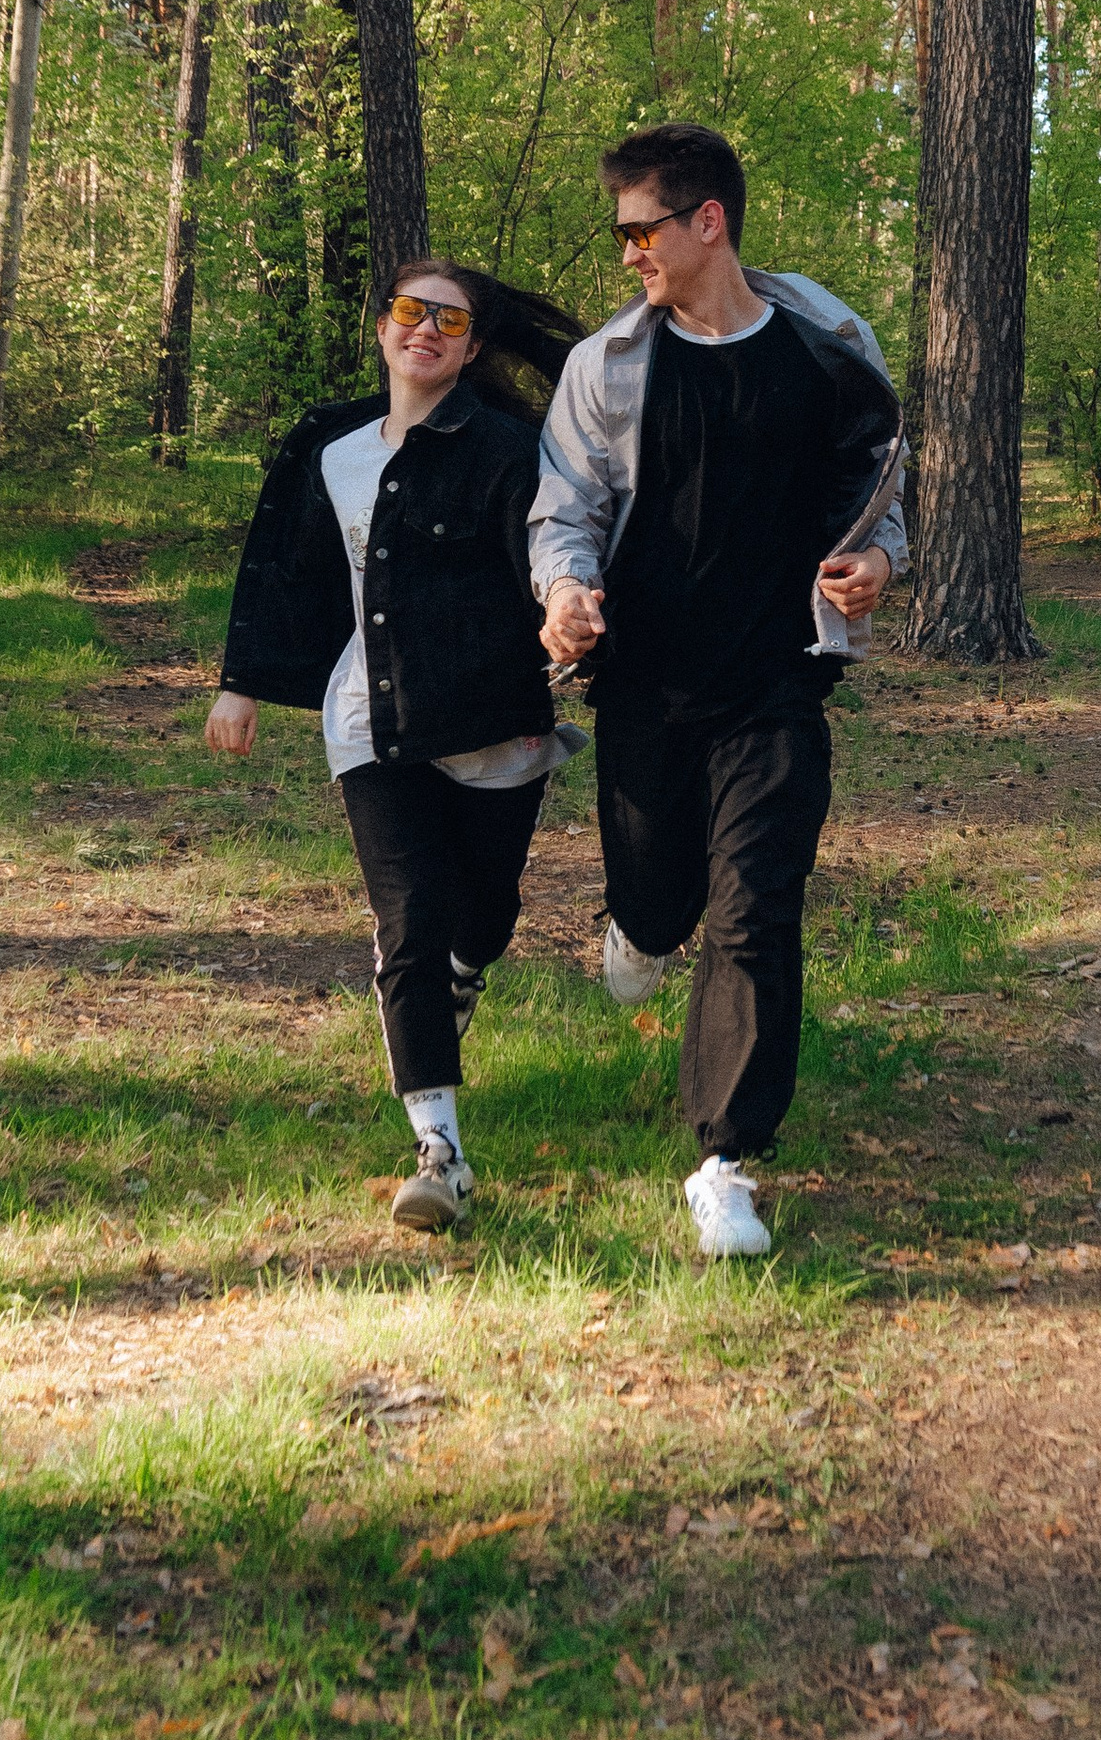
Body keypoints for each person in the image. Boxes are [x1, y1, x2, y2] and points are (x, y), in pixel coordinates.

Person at [530, 121, 904, 1262]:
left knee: (755, 910)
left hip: (776, 685)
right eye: (622, 234)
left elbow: (875, 488)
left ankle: (727, 1160)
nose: (627, 253)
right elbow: (566, 506)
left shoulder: (829, 347)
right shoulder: (606, 365)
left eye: (641, 230)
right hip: (645, 685)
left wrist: (879, 562)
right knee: (659, 901)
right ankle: (642, 926)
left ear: (708, 222)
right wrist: (564, 591)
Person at [205, 260, 582, 1237]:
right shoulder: (331, 447)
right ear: (382, 328)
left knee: (482, 916)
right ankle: (439, 1153)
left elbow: (550, 555)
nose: (426, 331)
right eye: (411, 312)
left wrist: (563, 624)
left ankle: (464, 970)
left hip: (491, 719)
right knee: (408, 918)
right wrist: (242, 682)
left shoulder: (510, 450)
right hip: (368, 718)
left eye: (450, 321)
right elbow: (285, 567)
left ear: (473, 345)